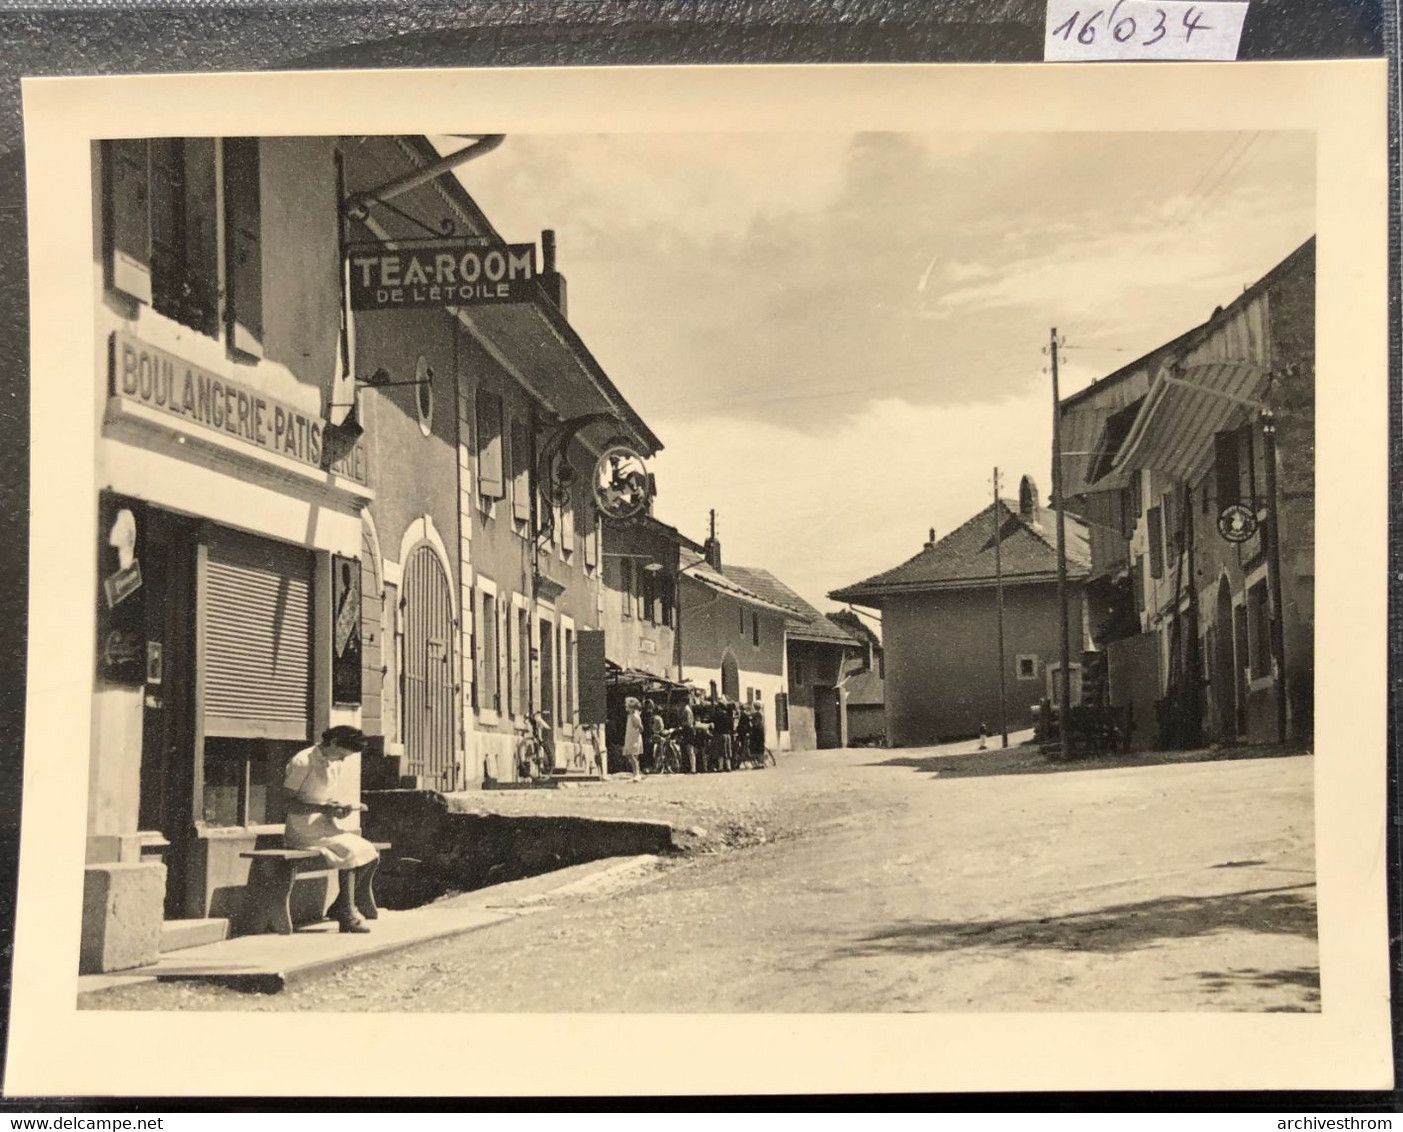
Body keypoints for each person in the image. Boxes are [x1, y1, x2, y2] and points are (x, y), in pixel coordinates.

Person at [283, 725, 379, 934]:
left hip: (324, 825)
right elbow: (285, 804)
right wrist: (322, 808)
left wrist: (337, 809)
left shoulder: (333, 763)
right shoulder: (302, 761)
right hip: (302, 829)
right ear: (333, 742)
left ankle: (341, 905)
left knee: (369, 851)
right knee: (350, 851)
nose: (343, 760)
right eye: (342, 754)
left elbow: (321, 796)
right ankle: (347, 913)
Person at [623, 696, 644, 781]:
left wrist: (637, 729)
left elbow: (640, 727)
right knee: (632, 756)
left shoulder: (634, 715)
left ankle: (637, 773)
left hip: (634, 738)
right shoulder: (631, 715)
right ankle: (635, 773)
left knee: (633, 755)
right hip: (630, 737)